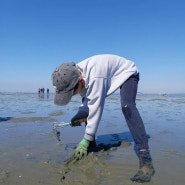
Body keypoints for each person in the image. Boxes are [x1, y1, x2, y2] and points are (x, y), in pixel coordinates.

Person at [52, 54, 155, 183]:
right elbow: (87, 104)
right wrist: (79, 115)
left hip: (128, 72)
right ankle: (92, 144)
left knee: (127, 106)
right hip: (102, 75)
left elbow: (96, 108)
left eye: (72, 92)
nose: (72, 95)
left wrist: (85, 139)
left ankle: (145, 158)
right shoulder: (72, 74)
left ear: (80, 81)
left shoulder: (95, 77)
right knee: (85, 112)